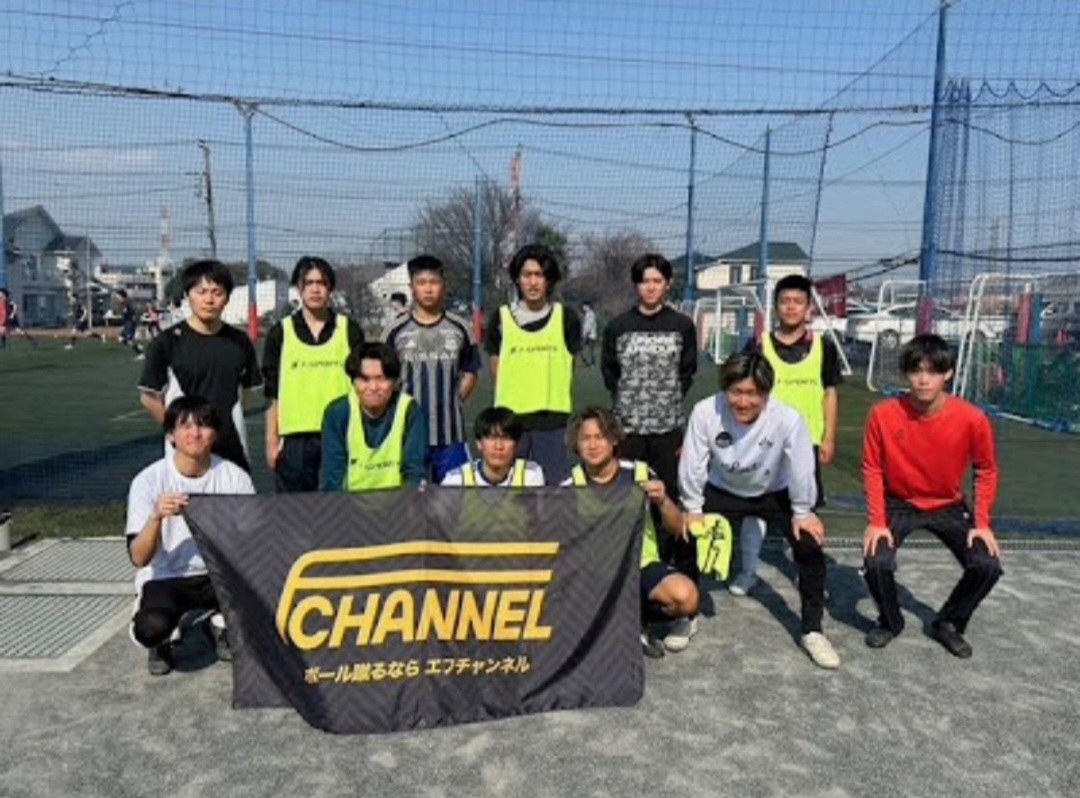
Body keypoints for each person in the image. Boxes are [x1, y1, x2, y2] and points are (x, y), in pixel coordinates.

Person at [679, 352, 839, 669]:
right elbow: (693, 462)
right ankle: (685, 615)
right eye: (736, 392)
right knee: (685, 537)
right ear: (725, 389)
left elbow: (801, 468)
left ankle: (812, 630)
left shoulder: (788, 418)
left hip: (773, 493)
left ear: (766, 392)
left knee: (809, 547)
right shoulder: (705, 411)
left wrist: (803, 511)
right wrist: (692, 506)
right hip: (723, 489)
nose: (743, 401)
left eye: (752, 393)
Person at [862, 334, 1002, 659]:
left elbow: (986, 469)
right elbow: (872, 468)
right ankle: (890, 621)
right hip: (898, 502)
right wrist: (877, 521)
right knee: (876, 561)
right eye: (916, 370)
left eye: (933, 371)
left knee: (987, 565)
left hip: (948, 504)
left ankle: (948, 623)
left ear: (948, 373)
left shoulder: (972, 418)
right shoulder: (882, 414)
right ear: (905, 373)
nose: (924, 380)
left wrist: (982, 523)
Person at [601, 252, 698, 646]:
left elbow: (687, 373)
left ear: (667, 284)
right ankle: (630, 594)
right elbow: (610, 374)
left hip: (667, 433)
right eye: (645, 281)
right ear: (636, 285)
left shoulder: (682, 326)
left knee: (668, 509)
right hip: (628, 433)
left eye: (658, 280)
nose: (651, 287)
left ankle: (681, 603)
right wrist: (632, 408)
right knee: (626, 508)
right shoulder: (619, 326)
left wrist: (662, 406)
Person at [126, 396, 256, 676]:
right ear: (170, 435)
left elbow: (252, 541)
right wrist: (156, 516)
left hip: (218, 574)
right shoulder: (148, 481)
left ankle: (218, 623)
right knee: (151, 628)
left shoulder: (235, 478)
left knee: (267, 615)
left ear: (215, 434)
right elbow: (138, 557)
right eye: (185, 426)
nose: (195, 433)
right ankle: (160, 639)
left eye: (204, 425)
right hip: (167, 576)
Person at [561, 406, 698, 659]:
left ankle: (643, 619)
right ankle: (620, 624)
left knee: (686, 597)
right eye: (585, 438)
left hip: (641, 564)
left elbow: (677, 527)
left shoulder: (640, 474)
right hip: (595, 572)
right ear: (576, 444)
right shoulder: (567, 487)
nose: (593, 445)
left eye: (600, 436)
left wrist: (663, 501)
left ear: (614, 439)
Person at [736, 273, 842, 595]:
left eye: (798, 301)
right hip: (763, 441)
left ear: (808, 307)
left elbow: (830, 393)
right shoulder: (759, 344)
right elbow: (743, 389)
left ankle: (804, 572)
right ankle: (748, 572)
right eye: (785, 301)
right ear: (776, 306)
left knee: (805, 507)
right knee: (754, 507)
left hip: (807, 443)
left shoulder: (823, 346)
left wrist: (829, 437)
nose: (791, 307)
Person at [138, 260, 262, 472]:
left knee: (236, 493)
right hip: (185, 456)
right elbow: (149, 398)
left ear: (227, 298)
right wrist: (180, 432)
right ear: (188, 295)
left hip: (232, 450)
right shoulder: (166, 342)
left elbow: (248, 394)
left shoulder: (239, 341)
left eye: (217, 293)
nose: (209, 300)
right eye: (201, 292)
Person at [262, 257, 363, 492]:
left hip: (341, 435)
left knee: (340, 508)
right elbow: (272, 392)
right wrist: (271, 440)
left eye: (322, 283)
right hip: (294, 439)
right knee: (295, 510)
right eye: (309, 283)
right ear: (299, 288)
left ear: (330, 288)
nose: (315, 289)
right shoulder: (280, 332)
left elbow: (362, 384)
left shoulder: (349, 330)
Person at [485, 243, 582, 484]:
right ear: (517, 279)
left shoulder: (566, 318)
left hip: (552, 422)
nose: (533, 282)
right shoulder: (501, 318)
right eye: (527, 275)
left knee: (553, 491)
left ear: (549, 280)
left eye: (539, 275)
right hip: (510, 422)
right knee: (508, 490)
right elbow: (496, 367)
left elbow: (570, 365)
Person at [384, 255, 481, 484]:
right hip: (408, 434)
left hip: (451, 435)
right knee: (410, 499)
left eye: (434, 282)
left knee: (454, 499)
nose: (428, 289)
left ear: (443, 285)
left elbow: (471, 371)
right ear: (411, 287)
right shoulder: (395, 331)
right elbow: (385, 377)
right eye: (421, 283)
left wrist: (453, 399)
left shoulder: (460, 327)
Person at [320, 341, 428, 491]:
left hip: (398, 502)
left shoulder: (410, 411)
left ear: (394, 382)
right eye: (364, 379)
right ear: (352, 381)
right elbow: (332, 475)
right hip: (350, 503)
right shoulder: (337, 412)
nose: (373, 387)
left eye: (381, 379)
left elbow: (414, 472)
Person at [441, 406, 545, 487]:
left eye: (506, 438)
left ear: (516, 444)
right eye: (492, 438)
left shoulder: (530, 475)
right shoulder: (456, 480)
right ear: (479, 443)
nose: (498, 446)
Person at [115, 290, 144, 359]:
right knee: (120, 339)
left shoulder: (127, 304)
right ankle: (137, 346)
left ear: (122, 296)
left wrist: (133, 323)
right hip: (127, 324)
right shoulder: (123, 304)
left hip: (129, 324)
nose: (117, 298)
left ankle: (141, 354)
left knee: (129, 341)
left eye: (118, 297)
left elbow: (133, 313)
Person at [580, 301, 598, 367]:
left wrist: (586, 333)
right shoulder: (587, 314)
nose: (583, 308)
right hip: (586, 334)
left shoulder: (591, 314)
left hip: (590, 335)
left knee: (590, 350)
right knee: (584, 349)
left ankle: (591, 363)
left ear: (588, 306)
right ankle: (587, 362)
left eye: (584, 306)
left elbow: (590, 324)